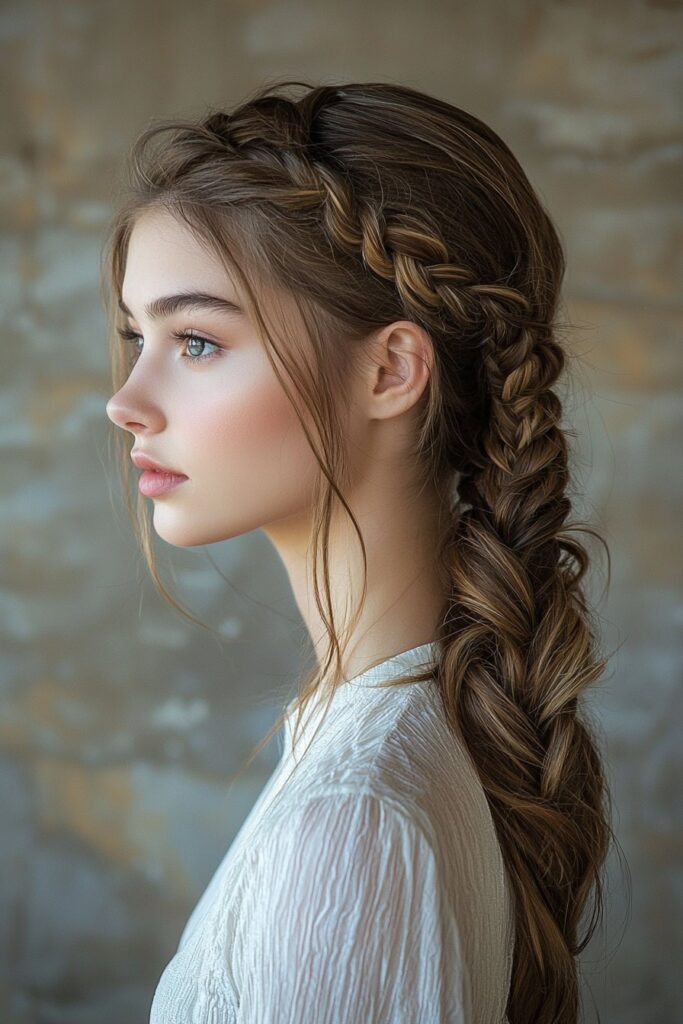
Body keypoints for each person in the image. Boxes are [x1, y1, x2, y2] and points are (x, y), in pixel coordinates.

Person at [103, 79, 614, 1024]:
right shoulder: (377, 754)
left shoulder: (353, 824)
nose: (125, 400)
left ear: (390, 370)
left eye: (198, 341)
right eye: (138, 336)